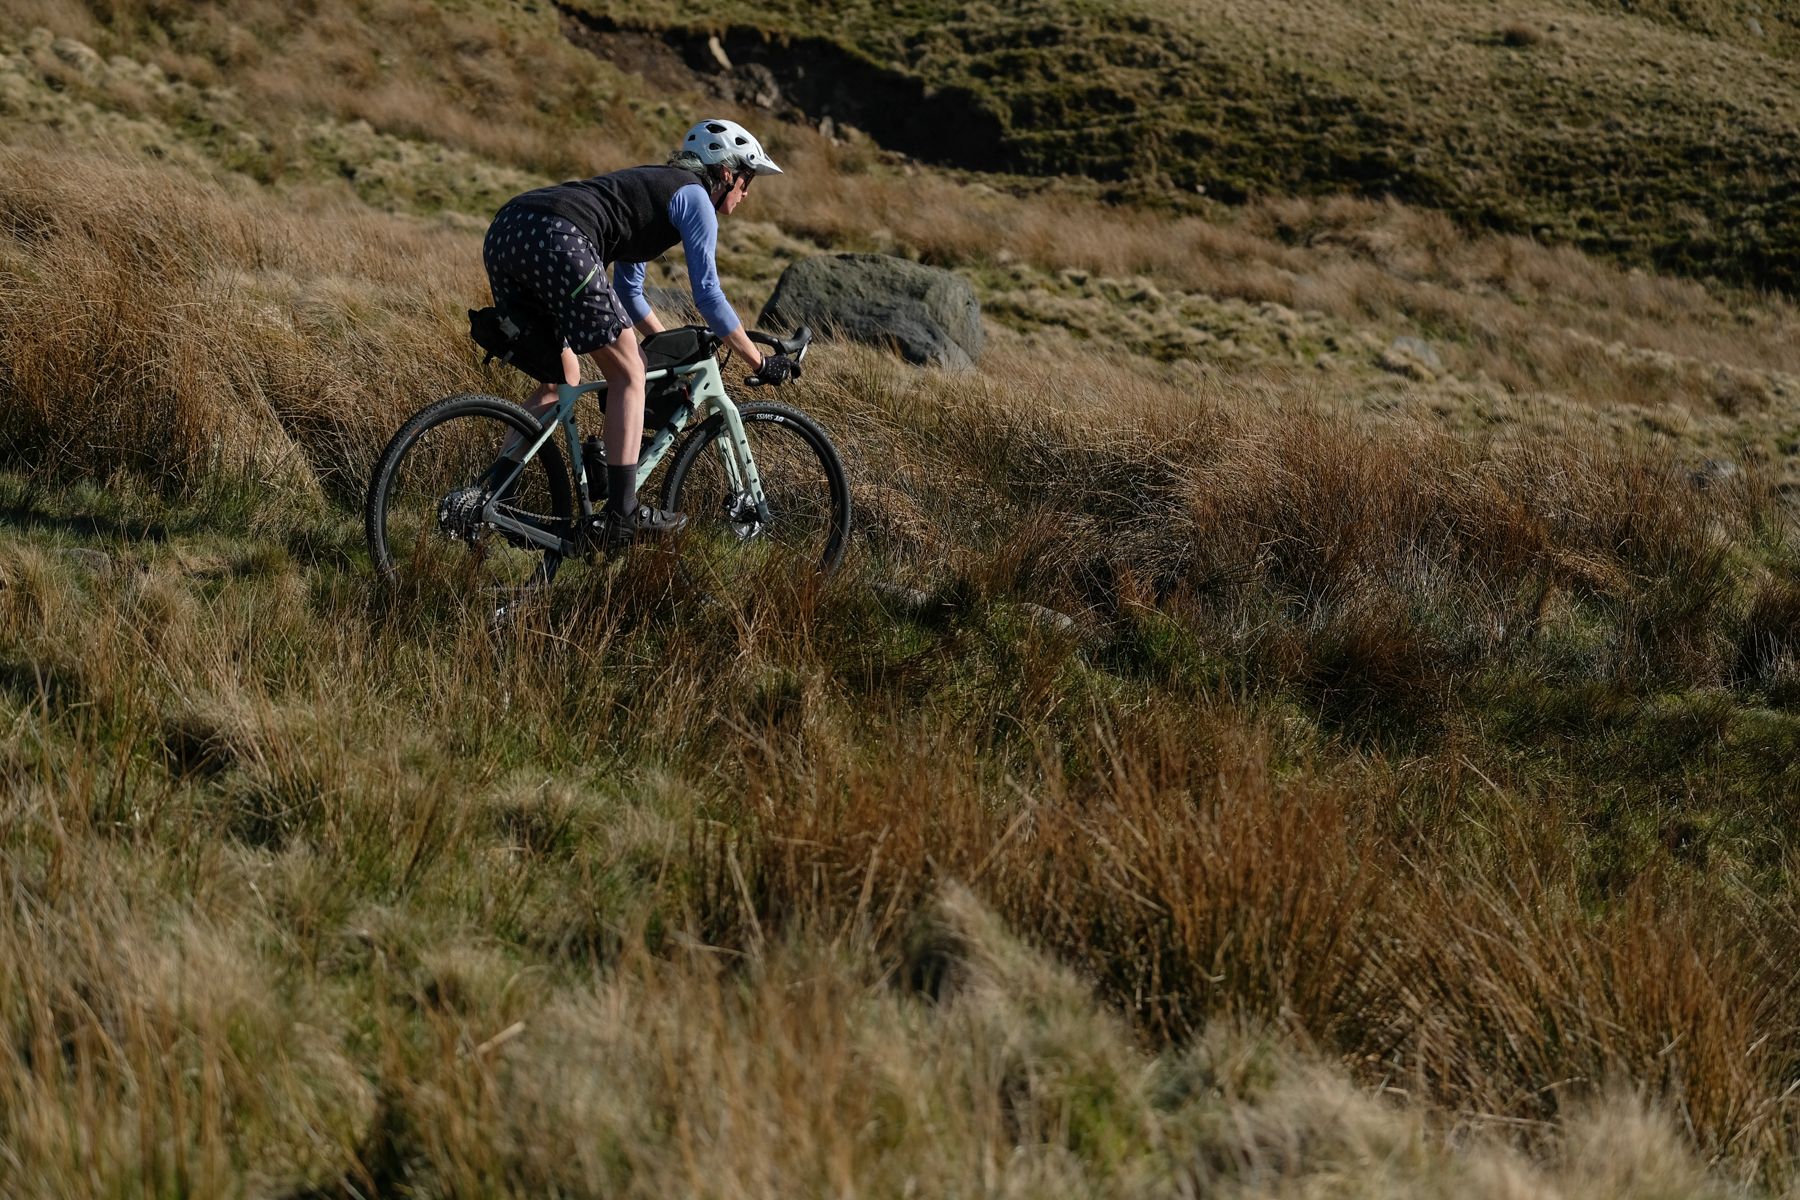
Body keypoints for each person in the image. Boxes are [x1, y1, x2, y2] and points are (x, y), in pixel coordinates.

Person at [480, 118, 799, 543]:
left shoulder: (653, 189)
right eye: (747, 181)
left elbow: (630, 293)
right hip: (560, 235)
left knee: (560, 380)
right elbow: (708, 295)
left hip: (509, 229)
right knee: (629, 372)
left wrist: (667, 343)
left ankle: (492, 499)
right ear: (726, 173)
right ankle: (623, 513)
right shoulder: (696, 198)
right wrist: (760, 361)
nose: (746, 193)